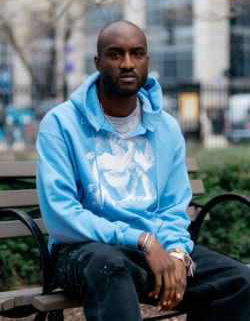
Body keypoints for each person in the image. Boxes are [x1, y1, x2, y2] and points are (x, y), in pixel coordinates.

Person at [36, 20, 250, 321]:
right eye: (115, 54)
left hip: (152, 250)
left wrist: (176, 252)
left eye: (137, 53)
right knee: (111, 265)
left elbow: (174, 207)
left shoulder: (167, 127)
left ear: (147, 60)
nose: (127, 63)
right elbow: (61, 214)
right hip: (82, 251)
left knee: (240, 282)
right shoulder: (60, 124)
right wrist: (142, 240)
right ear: (98, 62)